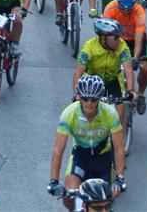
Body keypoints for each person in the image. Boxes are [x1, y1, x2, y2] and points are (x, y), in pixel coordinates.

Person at [48, 75, 126, 212]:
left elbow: (119, 149)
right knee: (69, 196)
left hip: (102, 160)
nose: (89, 103)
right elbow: (58, 149)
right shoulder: (69, 114)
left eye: (94, 99)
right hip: (80, 159)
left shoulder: (110, 114)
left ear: (100, 98)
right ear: (79, 97)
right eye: (85, 98)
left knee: (103, 204)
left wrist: (119, 178)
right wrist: (54, 181)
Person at [74, 19, 138, 129]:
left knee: (120, 112)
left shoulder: (122, 46)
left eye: (120, 36)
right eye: (116, 37)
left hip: (113, 80)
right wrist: (77, 94)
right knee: (89, 112)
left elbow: (128, 70)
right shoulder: (89, 47)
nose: (119, 40)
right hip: (93, 81)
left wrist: (131, 90)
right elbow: (78, 72)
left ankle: (120, 139)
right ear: (104, 38)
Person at [102, 0, 147, 114]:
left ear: (134, 4)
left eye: (128, 9)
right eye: (122, 8)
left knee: (146, 68)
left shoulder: (139, 11)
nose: (125, 11)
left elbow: (139, 39)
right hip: (116, 40)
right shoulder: (110, 8)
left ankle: (141, 94)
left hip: (134, 40)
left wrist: (135, 59)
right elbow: (104, 34)